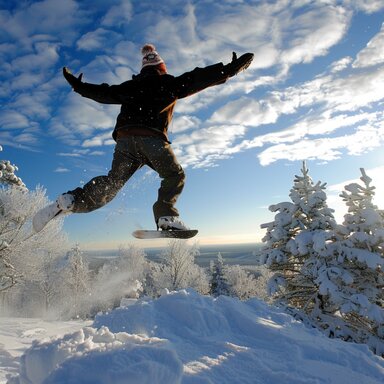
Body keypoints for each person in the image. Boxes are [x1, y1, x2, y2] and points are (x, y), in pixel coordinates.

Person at [33, 44, 254, 233]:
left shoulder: (131, 87)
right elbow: (198, 78)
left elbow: (104, 93)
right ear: (161, 68)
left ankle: (72, 201)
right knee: (173, 175)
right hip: (151, 138)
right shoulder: (170, 83)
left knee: (112, 183)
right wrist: (229, 70)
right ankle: (166, 217)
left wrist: (78, 86)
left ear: (144, 69)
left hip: (125, 140)